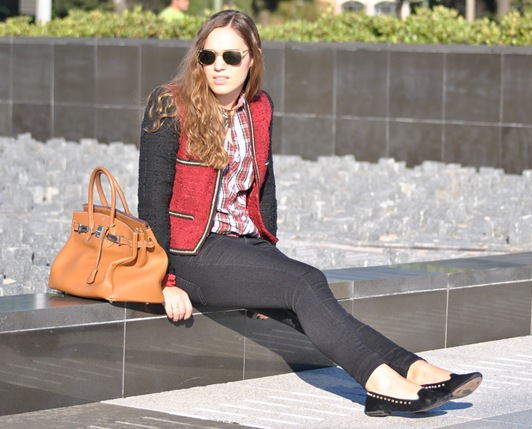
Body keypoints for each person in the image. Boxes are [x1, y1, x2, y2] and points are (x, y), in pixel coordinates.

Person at [138, 9, 482, 417]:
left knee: (306, 293)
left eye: (231, 57)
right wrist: (164, 282)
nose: (218, 67)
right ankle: (380, 385)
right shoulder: (171, 104)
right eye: (207, 56)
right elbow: (152, 200)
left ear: (252, 59)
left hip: (241, 246)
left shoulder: (259, 107)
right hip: (191, 253)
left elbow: (264, 190)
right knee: (306, 282)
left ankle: (414, 368)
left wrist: (268, 267)